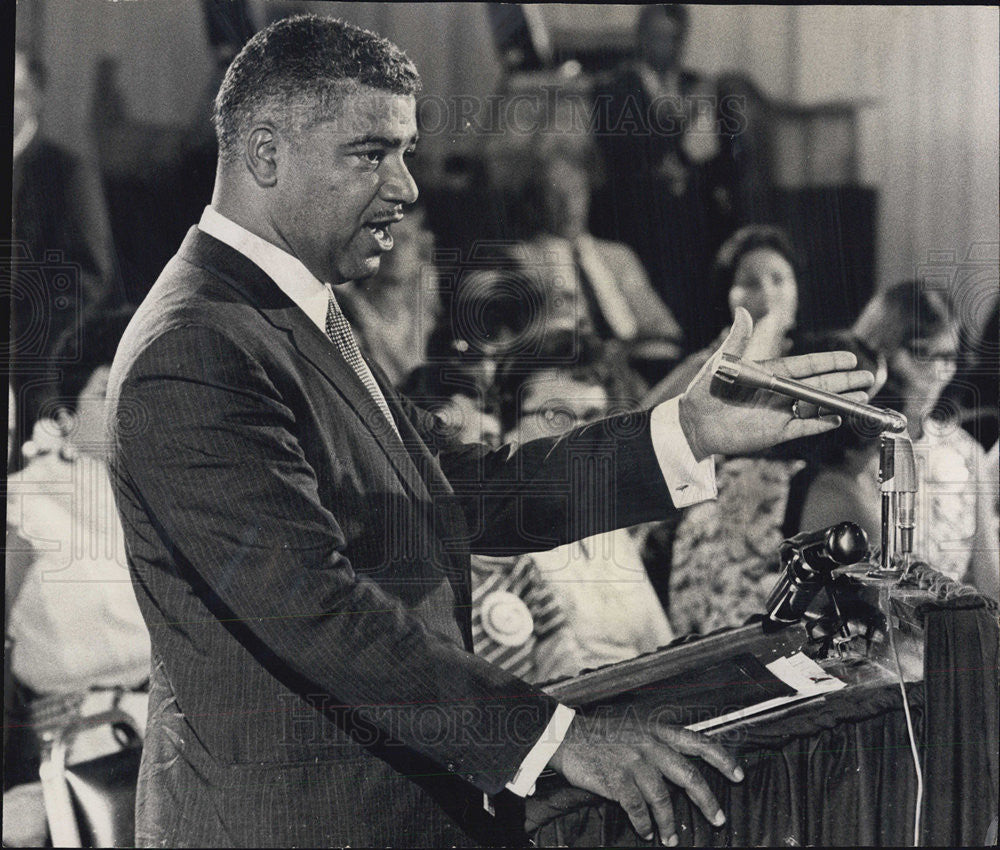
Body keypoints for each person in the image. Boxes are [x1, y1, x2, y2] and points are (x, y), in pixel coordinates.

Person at [105, 16, 872, 847]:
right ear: (265, 155)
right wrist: (557, 736)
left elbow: (468, 487)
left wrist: (684, 431)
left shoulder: (293, 310)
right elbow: (316, 609)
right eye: (372, 153)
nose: (407, 186)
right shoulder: (197, 345)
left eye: (404, 150)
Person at [4, 308, 150, 846]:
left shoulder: (177, 498)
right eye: (111, 390)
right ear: (67, 412)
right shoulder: (24, 504)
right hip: (72, 755)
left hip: (177, 738)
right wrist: (17, 724)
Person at [482, 332, 675, 683]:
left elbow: (662, 645)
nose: (581, 436)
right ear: (507, 427)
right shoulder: (498, 545)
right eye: (557, 415)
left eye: (592, 416)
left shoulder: (606, 520)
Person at [792, 283, 1000, 598]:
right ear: (880, 352)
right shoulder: (847, 458)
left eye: (947, 357)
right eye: (921, 353)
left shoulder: (967, 452)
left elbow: (991, 586)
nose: (937, 372)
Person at [591, 4, 738, 350]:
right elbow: (619, 154)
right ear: (640, 38)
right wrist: (678, 135)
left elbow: (723, 155)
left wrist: (691, 159)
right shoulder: (613, 88)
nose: (664, 46)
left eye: (672, 38)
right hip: (642, 221)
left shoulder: (698, 85)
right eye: (655, 36)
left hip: (694, 227)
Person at [10, 49, 119, 466]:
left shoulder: (67, 174)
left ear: (35, 98)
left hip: (34, 359)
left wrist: (29, 346)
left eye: (14, 94)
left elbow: (88, 280)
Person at [510, 154, 685, 381]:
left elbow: (664, 328)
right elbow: (525, 342)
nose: (567, 204)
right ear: (534, 203)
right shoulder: (521, 260)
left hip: (635, 365)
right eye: (554, 194)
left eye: (576, 192)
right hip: (571, 373)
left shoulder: (619, 256)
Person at [645, 225, 800, 407]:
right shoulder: (701, 369)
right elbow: (638, 422)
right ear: (726, 294)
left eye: (778, 279)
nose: (767, 293)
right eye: (750, 283)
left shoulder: (827, 350)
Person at [334, 203, 440, 388]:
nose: (394, 250)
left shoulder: (425, 317)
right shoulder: (346, 315)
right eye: (384, 237)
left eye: (405, 240)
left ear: (420, 249)